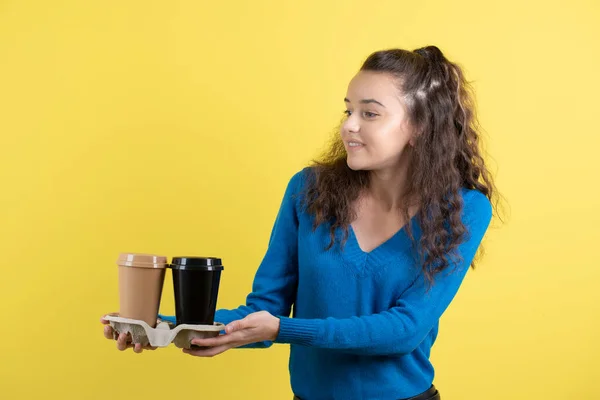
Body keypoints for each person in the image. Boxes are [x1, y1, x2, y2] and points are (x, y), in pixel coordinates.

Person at [101, 45, 499, 400]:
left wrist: (281, 330)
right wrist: (164, 327)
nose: (349, 126)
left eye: (370, 113)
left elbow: (405, 330)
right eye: (348, 110)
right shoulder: (308, 191)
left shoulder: (463, 208)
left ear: (419, 127)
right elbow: (265, 310)